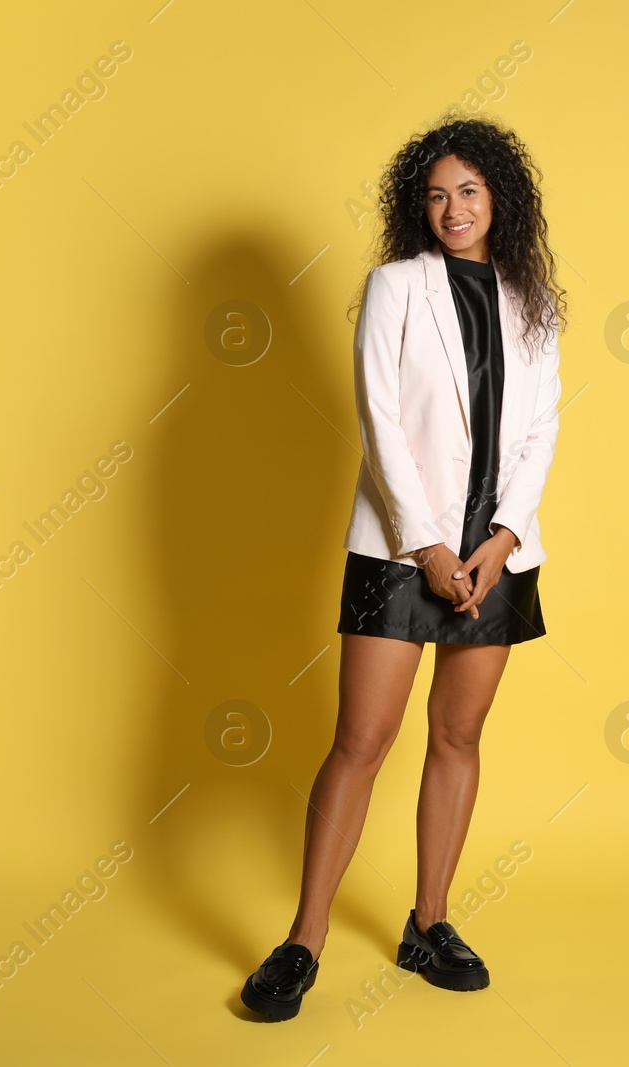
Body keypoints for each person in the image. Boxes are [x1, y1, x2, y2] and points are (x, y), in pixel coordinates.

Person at [240, 114, 565, 1022]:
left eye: (468, 190)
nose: (453, 207)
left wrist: (500, 539)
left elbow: (541, 432)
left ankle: (430, 922)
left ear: (499, 197)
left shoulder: (532, 302)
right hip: (398, 549)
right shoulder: (394, 286)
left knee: (458, 738)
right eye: (436, 194)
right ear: (417, 208)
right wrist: (426, 543)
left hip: (498, 555)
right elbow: (379, 416)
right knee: (361, 741)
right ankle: (303, 938)